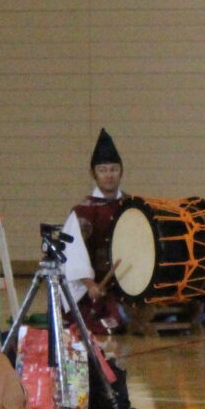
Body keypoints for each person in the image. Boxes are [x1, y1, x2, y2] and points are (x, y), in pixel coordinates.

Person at [60, 129, 130, 335]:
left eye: (114, 169)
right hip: (99, 289)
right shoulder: (83, 212)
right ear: (94, 174)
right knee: (114, 319)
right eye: (103, 170)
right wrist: (90, 285)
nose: (109, 175)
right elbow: (73, 255)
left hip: (129, 286)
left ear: (121, 171)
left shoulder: (132, 205)